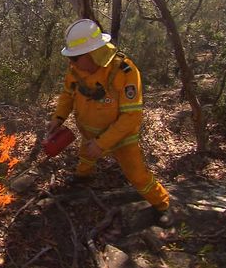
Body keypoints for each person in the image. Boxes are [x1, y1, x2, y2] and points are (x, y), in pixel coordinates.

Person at [47, 19, 172, 225]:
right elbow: (67, 95)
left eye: (76, 57)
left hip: (121, 138)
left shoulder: (125, 72)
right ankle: (83, 177)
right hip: (88, 132)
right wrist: (58, 118)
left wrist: (102, 143)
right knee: (86, 155)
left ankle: (162, 203)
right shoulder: (76, 70)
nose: (72, 62)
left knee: (137, 174)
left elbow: (131, 117)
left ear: (93, 53)